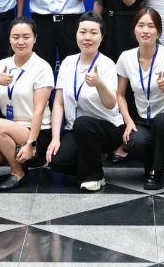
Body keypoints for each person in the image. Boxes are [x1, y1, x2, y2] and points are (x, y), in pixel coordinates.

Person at [0, 17, 53, 189]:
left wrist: (31, 143)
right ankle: (16, 155)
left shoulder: (42, 67)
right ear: (9, 38)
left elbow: (39, 111)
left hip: (36, 131)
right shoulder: (2, 65)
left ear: (35, 38)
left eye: (26, 37)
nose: (20, 42)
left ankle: (18, 171)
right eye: (15, 37)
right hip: (10, 128)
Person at [47, 14, 124, 192]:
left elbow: (111, 104)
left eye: (93, 33)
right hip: (75, 129)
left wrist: (99, 84)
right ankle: (93, 159)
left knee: (83, 123)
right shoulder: (67, 62)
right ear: (76, 34)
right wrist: (56, 138)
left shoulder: (107, 64)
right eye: (82, 32)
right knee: (57, 161)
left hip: (107, 129)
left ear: (102, 37)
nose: (87, 37)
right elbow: (58, 103)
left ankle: (94, 177)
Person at [117, 8, 164, 191]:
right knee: (136, 142)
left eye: (151, 26)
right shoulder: (126, 57)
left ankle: (156, 171)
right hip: (141, 118)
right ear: (134, 30)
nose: (145, 30)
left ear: (158, 31)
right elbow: (120, 95)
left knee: (161, 122)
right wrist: (128, 121)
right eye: (141, 25)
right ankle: (152, 167)